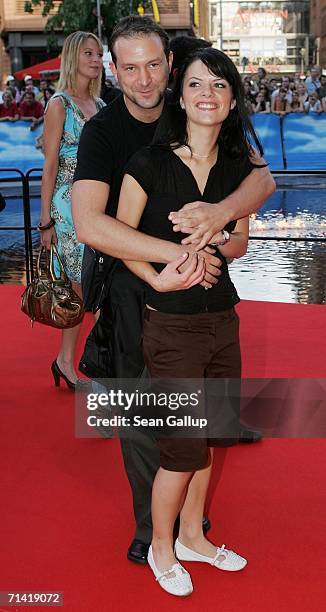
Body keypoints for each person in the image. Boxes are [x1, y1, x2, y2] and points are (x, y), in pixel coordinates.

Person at [72, 15, 275, 565]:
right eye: (130, 67)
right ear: (113, 70)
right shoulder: (105, 133)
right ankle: (151, 531)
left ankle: (189, 524)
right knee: (142, 416)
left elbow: (261, 178)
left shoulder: (196, 102)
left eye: (154, 65)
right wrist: (180, 255)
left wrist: (221, 215)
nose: (143, 79)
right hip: (131, 288)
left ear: (171, 64)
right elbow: (91, 225)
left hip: (202, 297)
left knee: (200, 412)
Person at [116, 47, 266, 596]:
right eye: (197, 84)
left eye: (219, 86)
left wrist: (216, 236)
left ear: (231, 101)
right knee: (181, 446)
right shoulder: (148, 163)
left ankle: (192, 538)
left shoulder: (238, 170)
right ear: (181, 96)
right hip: (171, 324)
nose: (208, 94)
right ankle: (160, 545)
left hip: (224, 319)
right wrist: (158, 277)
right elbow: (118, 237)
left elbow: (242, 244)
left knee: (211, 438)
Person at [39, 30, 105, 389]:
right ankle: (67, 361)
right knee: (81, 288)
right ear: (73, 59)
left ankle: (66, 361)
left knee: (92, 288)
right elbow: (49, 165)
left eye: (98, 54)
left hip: (99, 206)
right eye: (89, 54)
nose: (96, 60)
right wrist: (44, 220)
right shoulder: (59, 104)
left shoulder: (103, 106)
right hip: (67, 208)